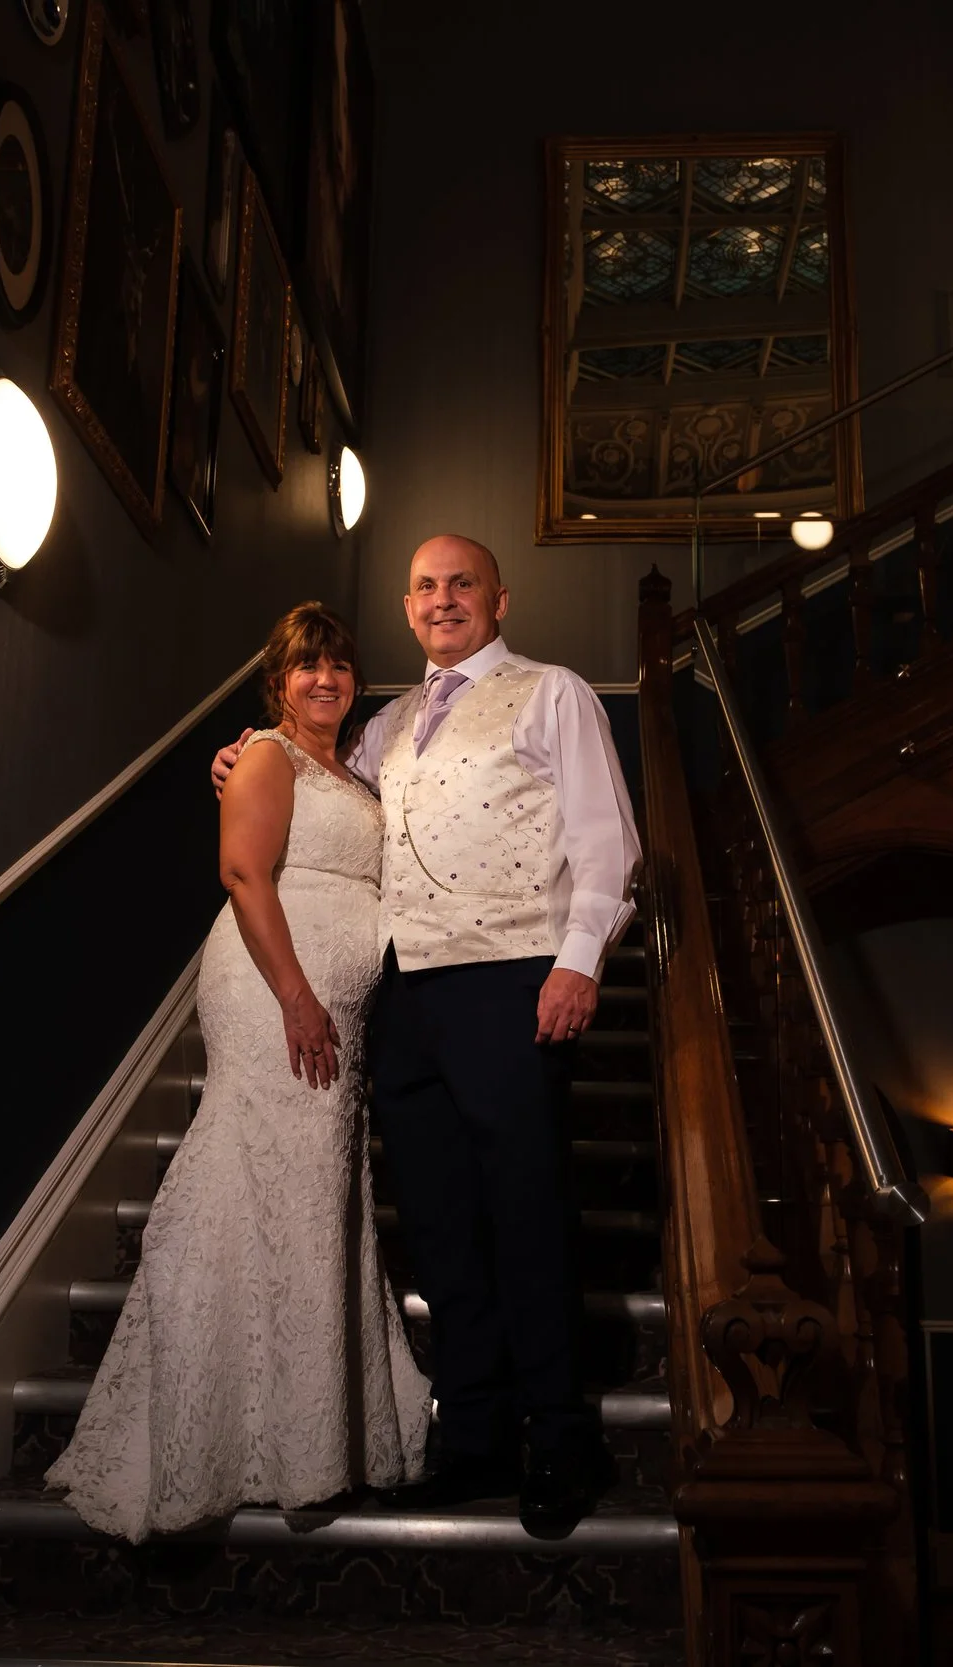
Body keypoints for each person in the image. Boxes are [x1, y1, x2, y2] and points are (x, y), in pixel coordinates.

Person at [213, 535, 641, 1535]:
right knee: (442, 1224)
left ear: (498, 596)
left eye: (461, 583)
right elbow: (307, 783)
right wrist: (235, 758)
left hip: (513, 981)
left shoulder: (553, 691)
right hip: (403, 998)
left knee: (525, 1214)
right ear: (408, 609)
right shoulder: (384, 728)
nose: (443, 599)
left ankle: (557, 1435)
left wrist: (579, 957)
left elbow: (604, 835)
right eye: (425, 587)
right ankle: (478, 1435)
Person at [49, 603, 429, 1541]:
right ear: (279, 680)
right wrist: (298, 995)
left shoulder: (356, 769)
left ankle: (309, 1425)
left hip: (338, 1002)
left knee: (315, 1191)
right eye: (307, 667)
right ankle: (226, 1425)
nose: (327, 679)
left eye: (339, 664)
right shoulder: (266, 754)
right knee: (256, 1180)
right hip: (273, 989)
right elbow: (243, 872)